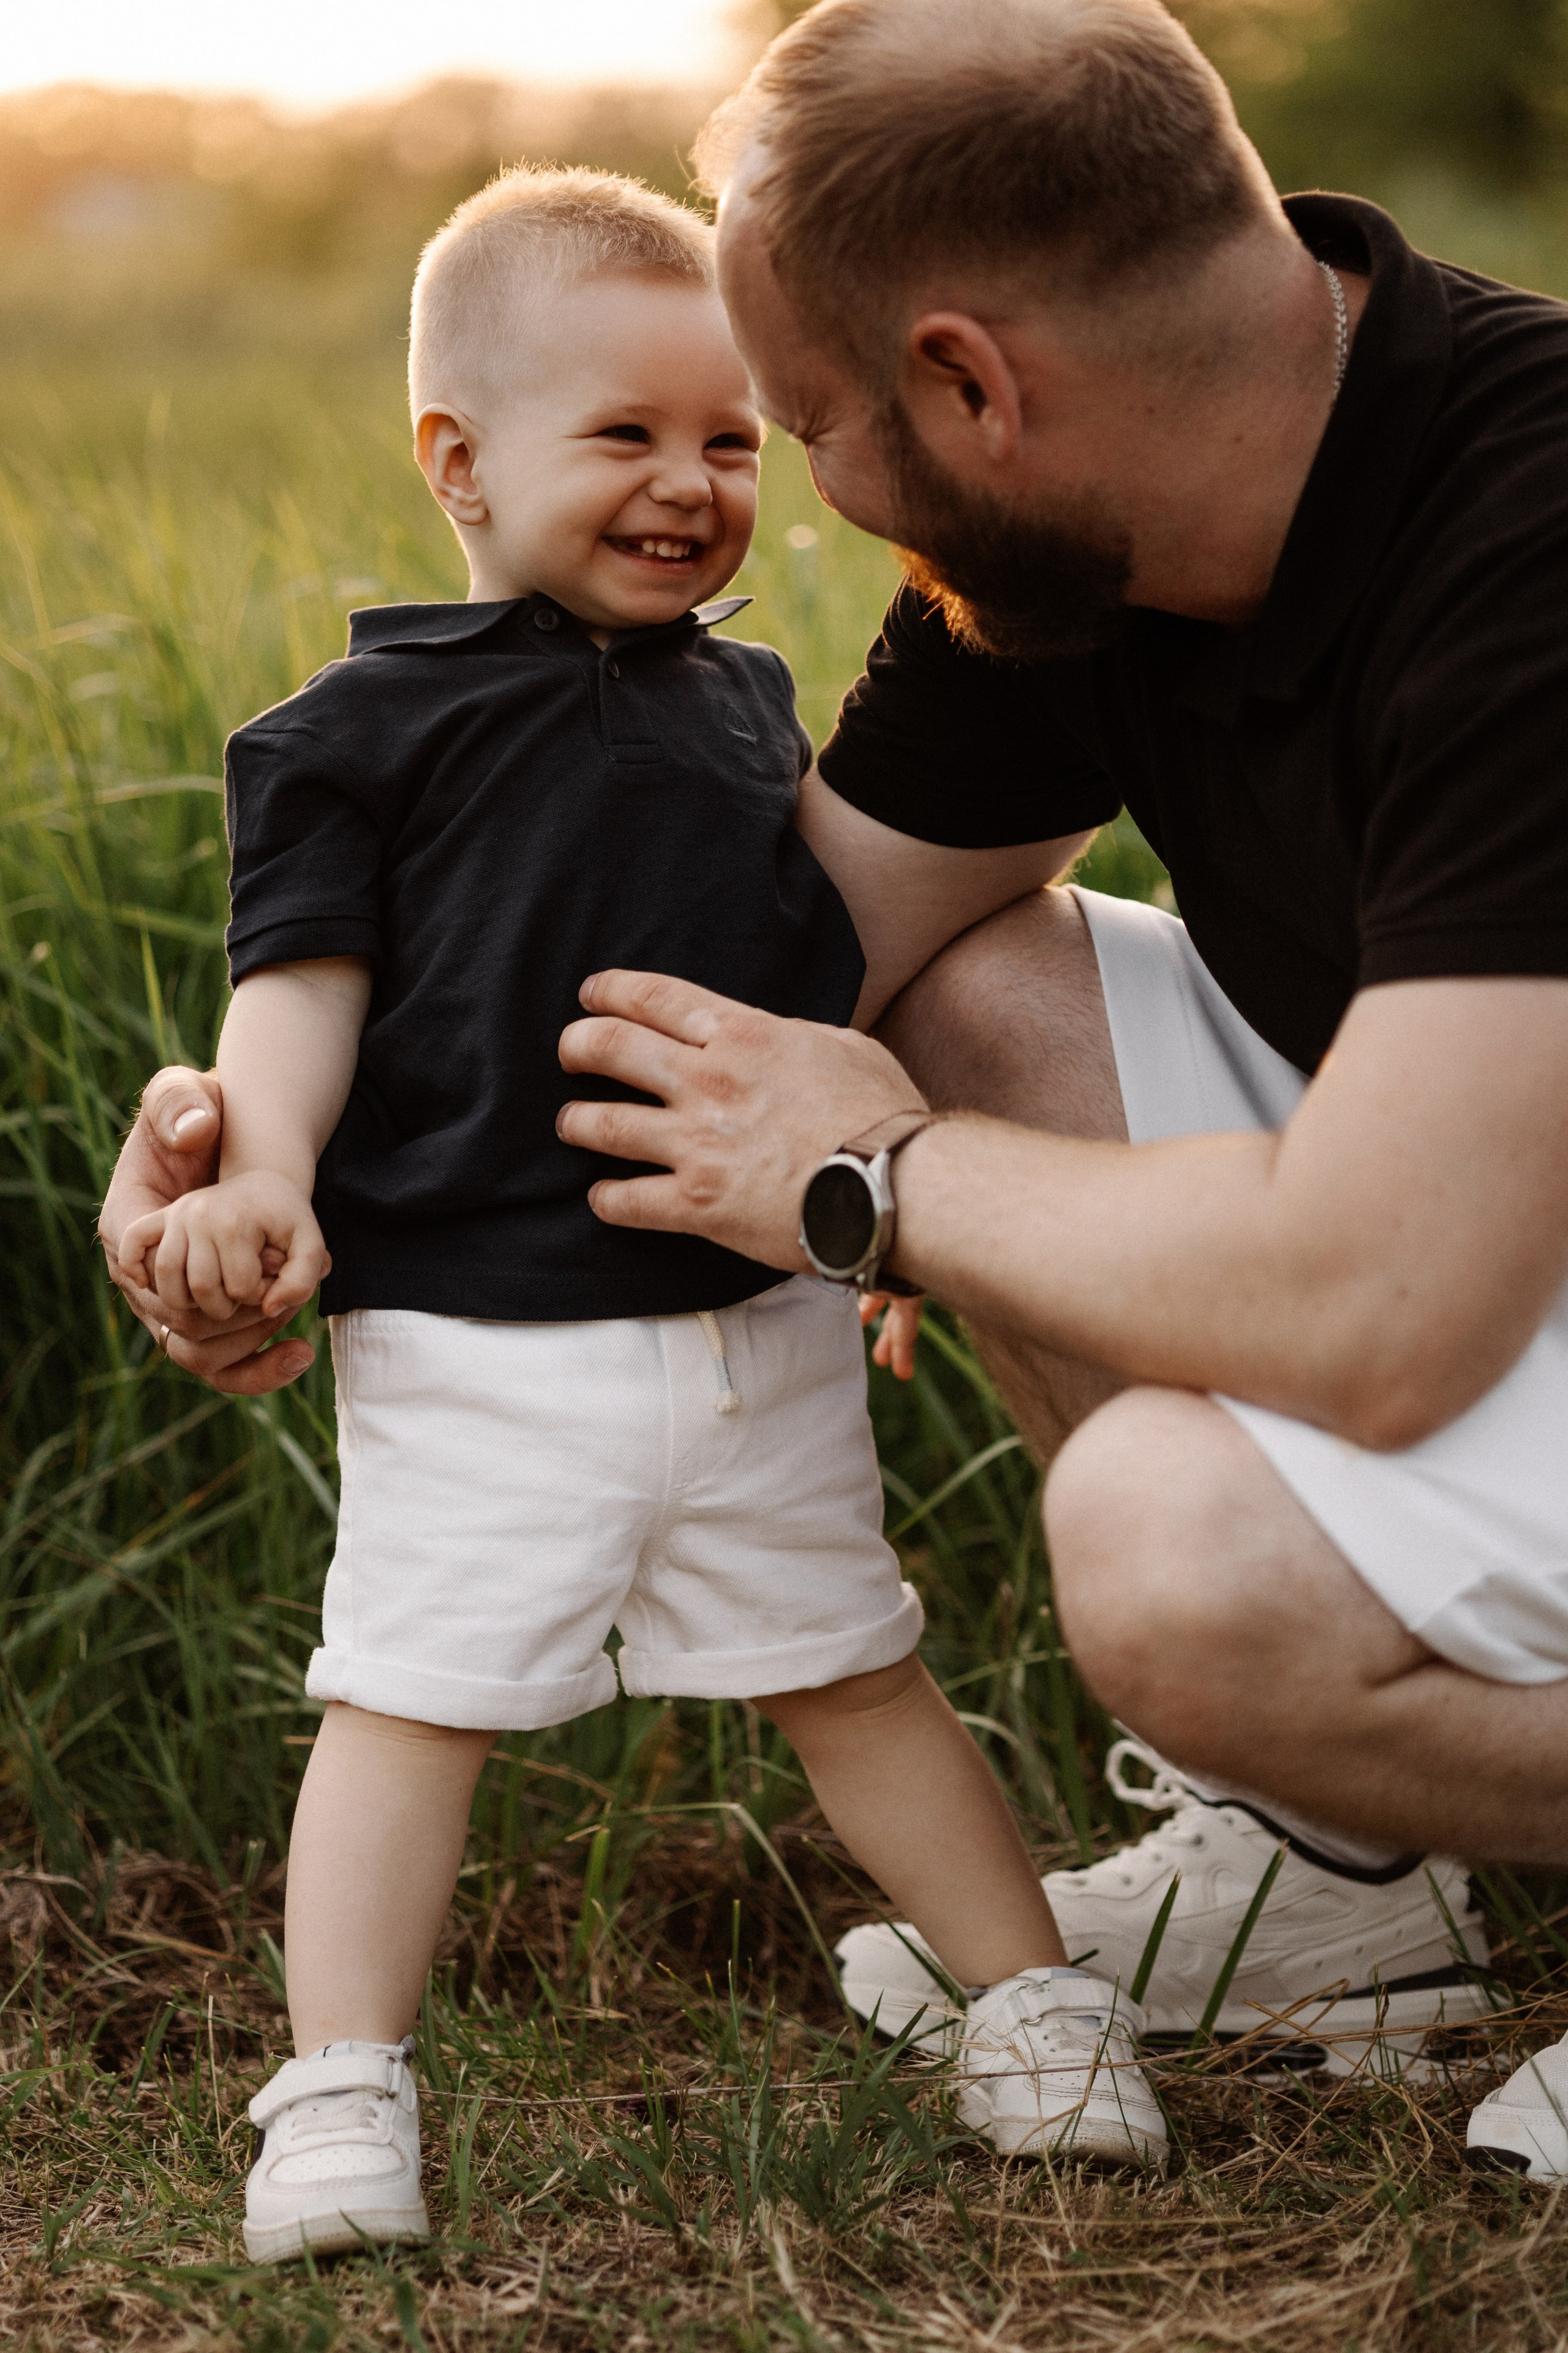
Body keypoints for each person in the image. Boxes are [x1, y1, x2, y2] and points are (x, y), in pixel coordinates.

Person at [95, 0, 1568, 2177]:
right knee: (958, 993)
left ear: (970, 383)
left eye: (792, 428)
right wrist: (262, 1142)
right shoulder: (1074, 536)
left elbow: (1387, 1297)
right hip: (1481, 1183)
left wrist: (879, 1182)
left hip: (1449, 1245)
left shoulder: (1526, 549)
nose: (782, 495)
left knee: (1171, 1556)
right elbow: (789, 969)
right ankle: (1345, 1883)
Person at [110, 165, 1172, 2264]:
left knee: (863, 1667)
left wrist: (881, 1217)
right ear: (459, 461)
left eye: (726, 442)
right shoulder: (357, 731)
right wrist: (262, 1167)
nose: (690, 484)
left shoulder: (752, 707)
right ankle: (341, 2086)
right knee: (405, 1701)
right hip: (478, 1338)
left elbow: (811, 989)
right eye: (625, 436)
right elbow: (298, 984)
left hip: (750, 1323)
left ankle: (1033, 2006)